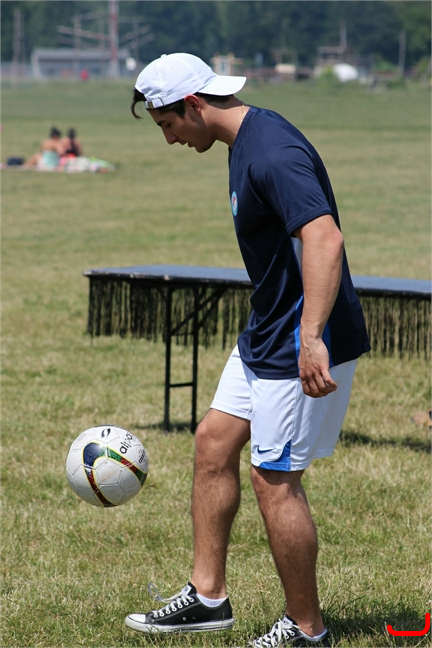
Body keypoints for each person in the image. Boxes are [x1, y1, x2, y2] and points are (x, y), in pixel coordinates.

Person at [126, 53, 370, 647]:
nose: (169, 139)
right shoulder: (245, 140)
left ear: (193, 105)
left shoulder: (269, 152)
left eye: (167, 125)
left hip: (302, 336)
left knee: (273, 477)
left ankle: (306, 629)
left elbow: (325, 237)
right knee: (213, 442)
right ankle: (208, 598)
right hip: (269, 328)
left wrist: (310, 337)